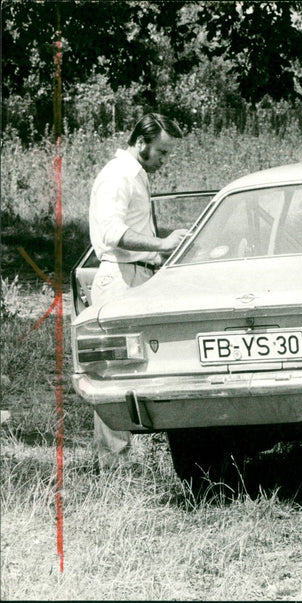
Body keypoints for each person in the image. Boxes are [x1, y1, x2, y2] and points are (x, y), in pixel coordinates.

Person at [89, 113, 188, 469]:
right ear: (142, 142)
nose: (165, 159)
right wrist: (160, 244)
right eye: (161, 151)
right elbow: (112, 234)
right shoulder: (118, 175)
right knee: (113, 371)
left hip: (139, 274)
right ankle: (114, 468)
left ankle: (134, 459)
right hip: (119, 277)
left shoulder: (136, 175)